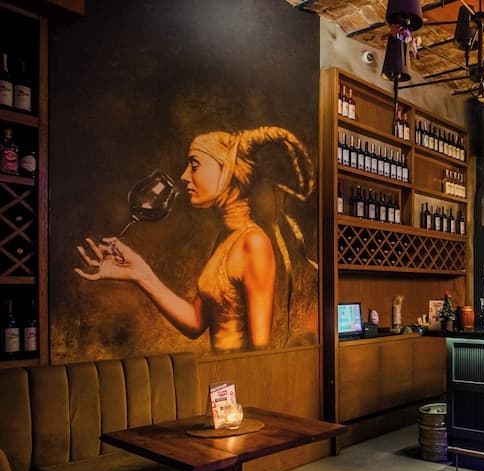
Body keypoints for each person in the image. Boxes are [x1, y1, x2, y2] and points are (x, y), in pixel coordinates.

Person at [75, 126, 315, 352]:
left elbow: (261, 352)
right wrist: (139, 273)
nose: (184, 176)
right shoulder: (226, 237)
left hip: (240, 377)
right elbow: (195, 323)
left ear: (227, 170)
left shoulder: (253, 243)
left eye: (194, 165)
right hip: (220, 376)